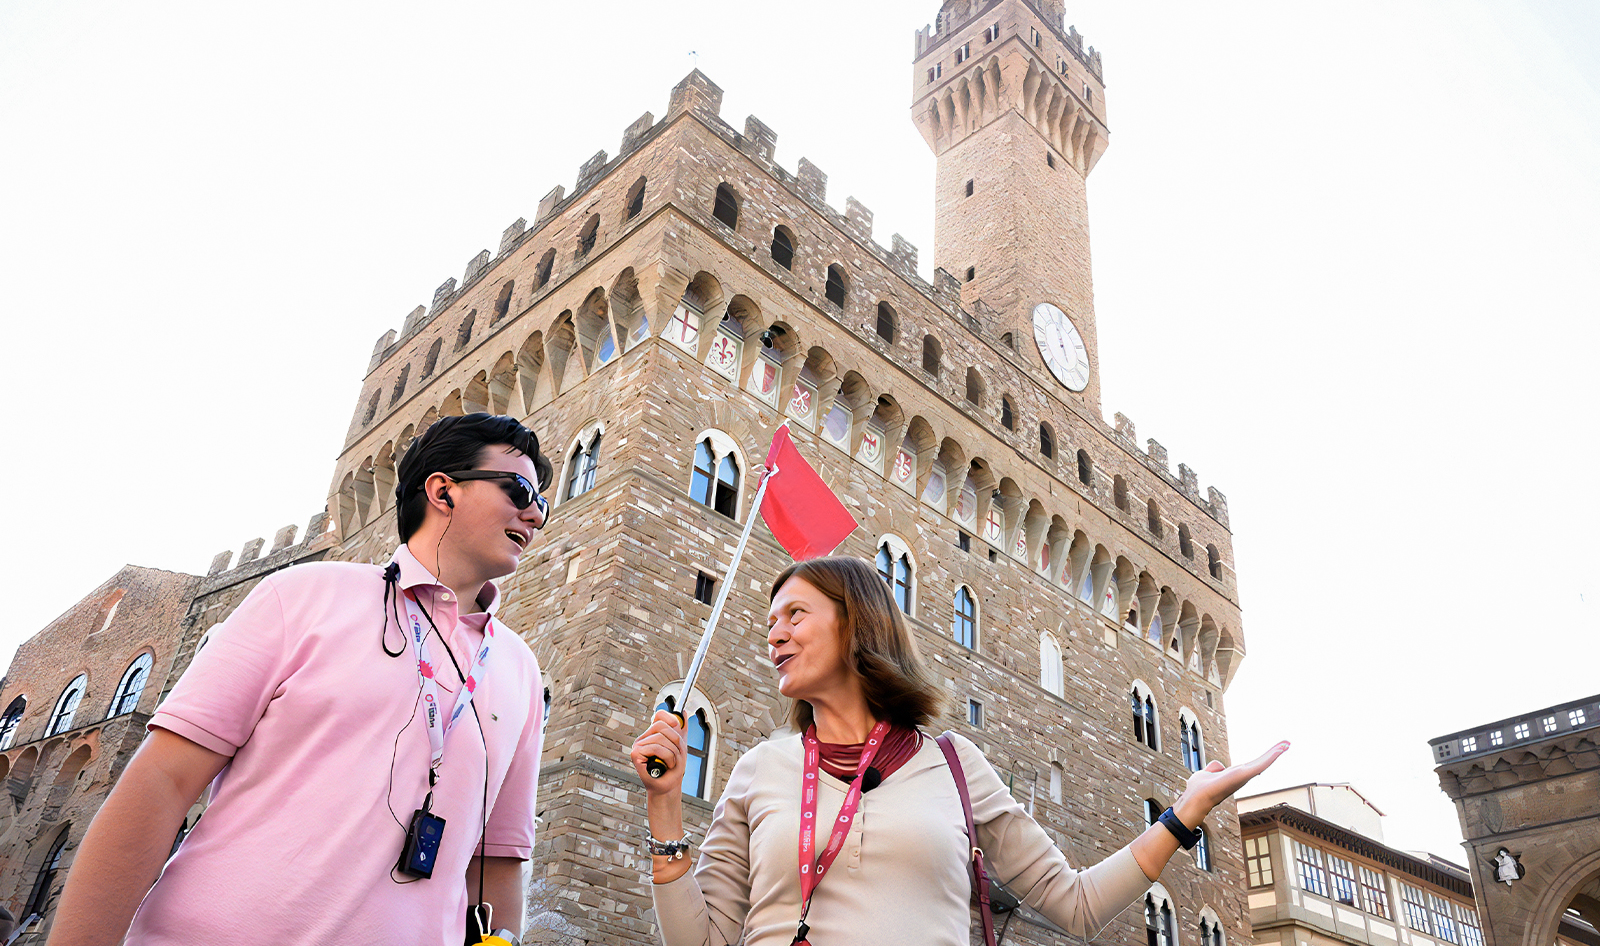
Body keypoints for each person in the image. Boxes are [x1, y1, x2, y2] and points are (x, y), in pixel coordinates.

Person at [51, 413, 554, 946]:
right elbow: (162, 783)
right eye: (520, 490)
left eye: (541, 501)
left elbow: (497, 860)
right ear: (443, 491)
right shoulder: (302, 596)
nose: (536, 515)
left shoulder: (518, 668)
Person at [631, 555, 1289, 946]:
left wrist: (1182, 815)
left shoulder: (953, 764)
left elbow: (1077, 905)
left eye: (795, 615)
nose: (774, 632)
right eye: (770, 620)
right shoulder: (758, 770)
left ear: (854, 623)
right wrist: (664, 810)